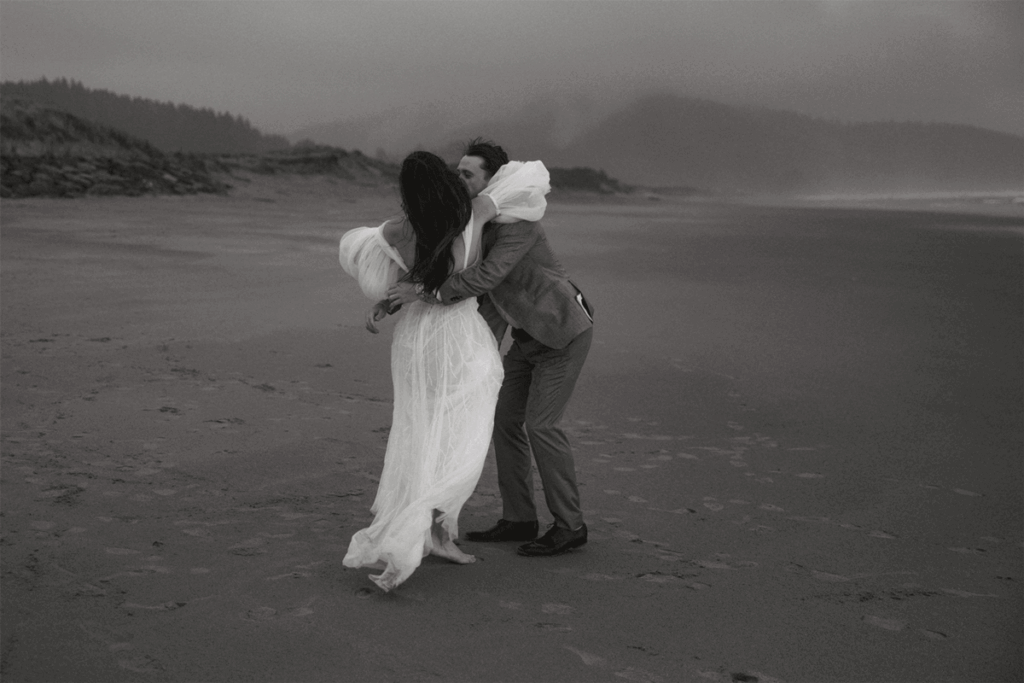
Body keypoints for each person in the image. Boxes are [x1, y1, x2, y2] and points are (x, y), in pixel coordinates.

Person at [338, 150, 549, 592]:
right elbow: (531, 179)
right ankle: (433, 532)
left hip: (414, 340)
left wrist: (386, 303)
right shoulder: (473, 213)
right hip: (456, 335)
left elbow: (366, 258)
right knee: (457, 435)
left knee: (420, 432)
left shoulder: (399, 229)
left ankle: (431, 531)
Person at [388, 138, 594, 558]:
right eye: (457, 172)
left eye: (468, 174)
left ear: (491, 180)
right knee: (504, 422)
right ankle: (520, 518)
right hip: (526, 338)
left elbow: (486, 278)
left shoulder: (519, 224)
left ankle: (571, 526)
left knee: (542, 426)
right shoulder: (475, 224)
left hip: (563, 332)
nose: (458, 180)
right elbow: (476, 294)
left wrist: (426, 293)